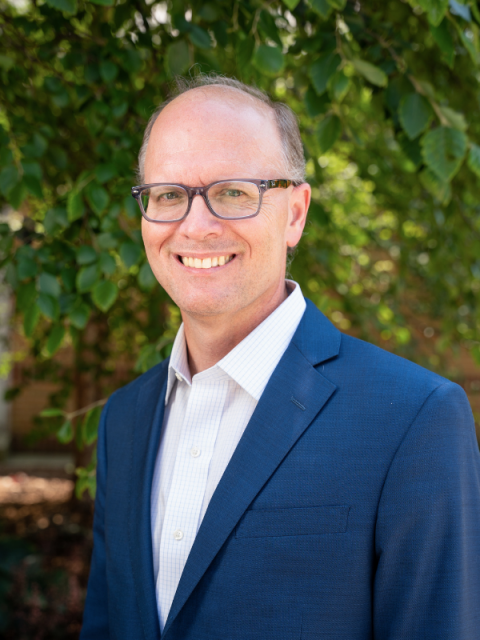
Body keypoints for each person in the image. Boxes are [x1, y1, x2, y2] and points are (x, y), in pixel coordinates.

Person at [80, 75, 480, 640]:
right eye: (168, 195)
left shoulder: (414, 419)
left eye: (233, 192)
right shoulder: (123, 420)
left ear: (295, 213)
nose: (196, 225)